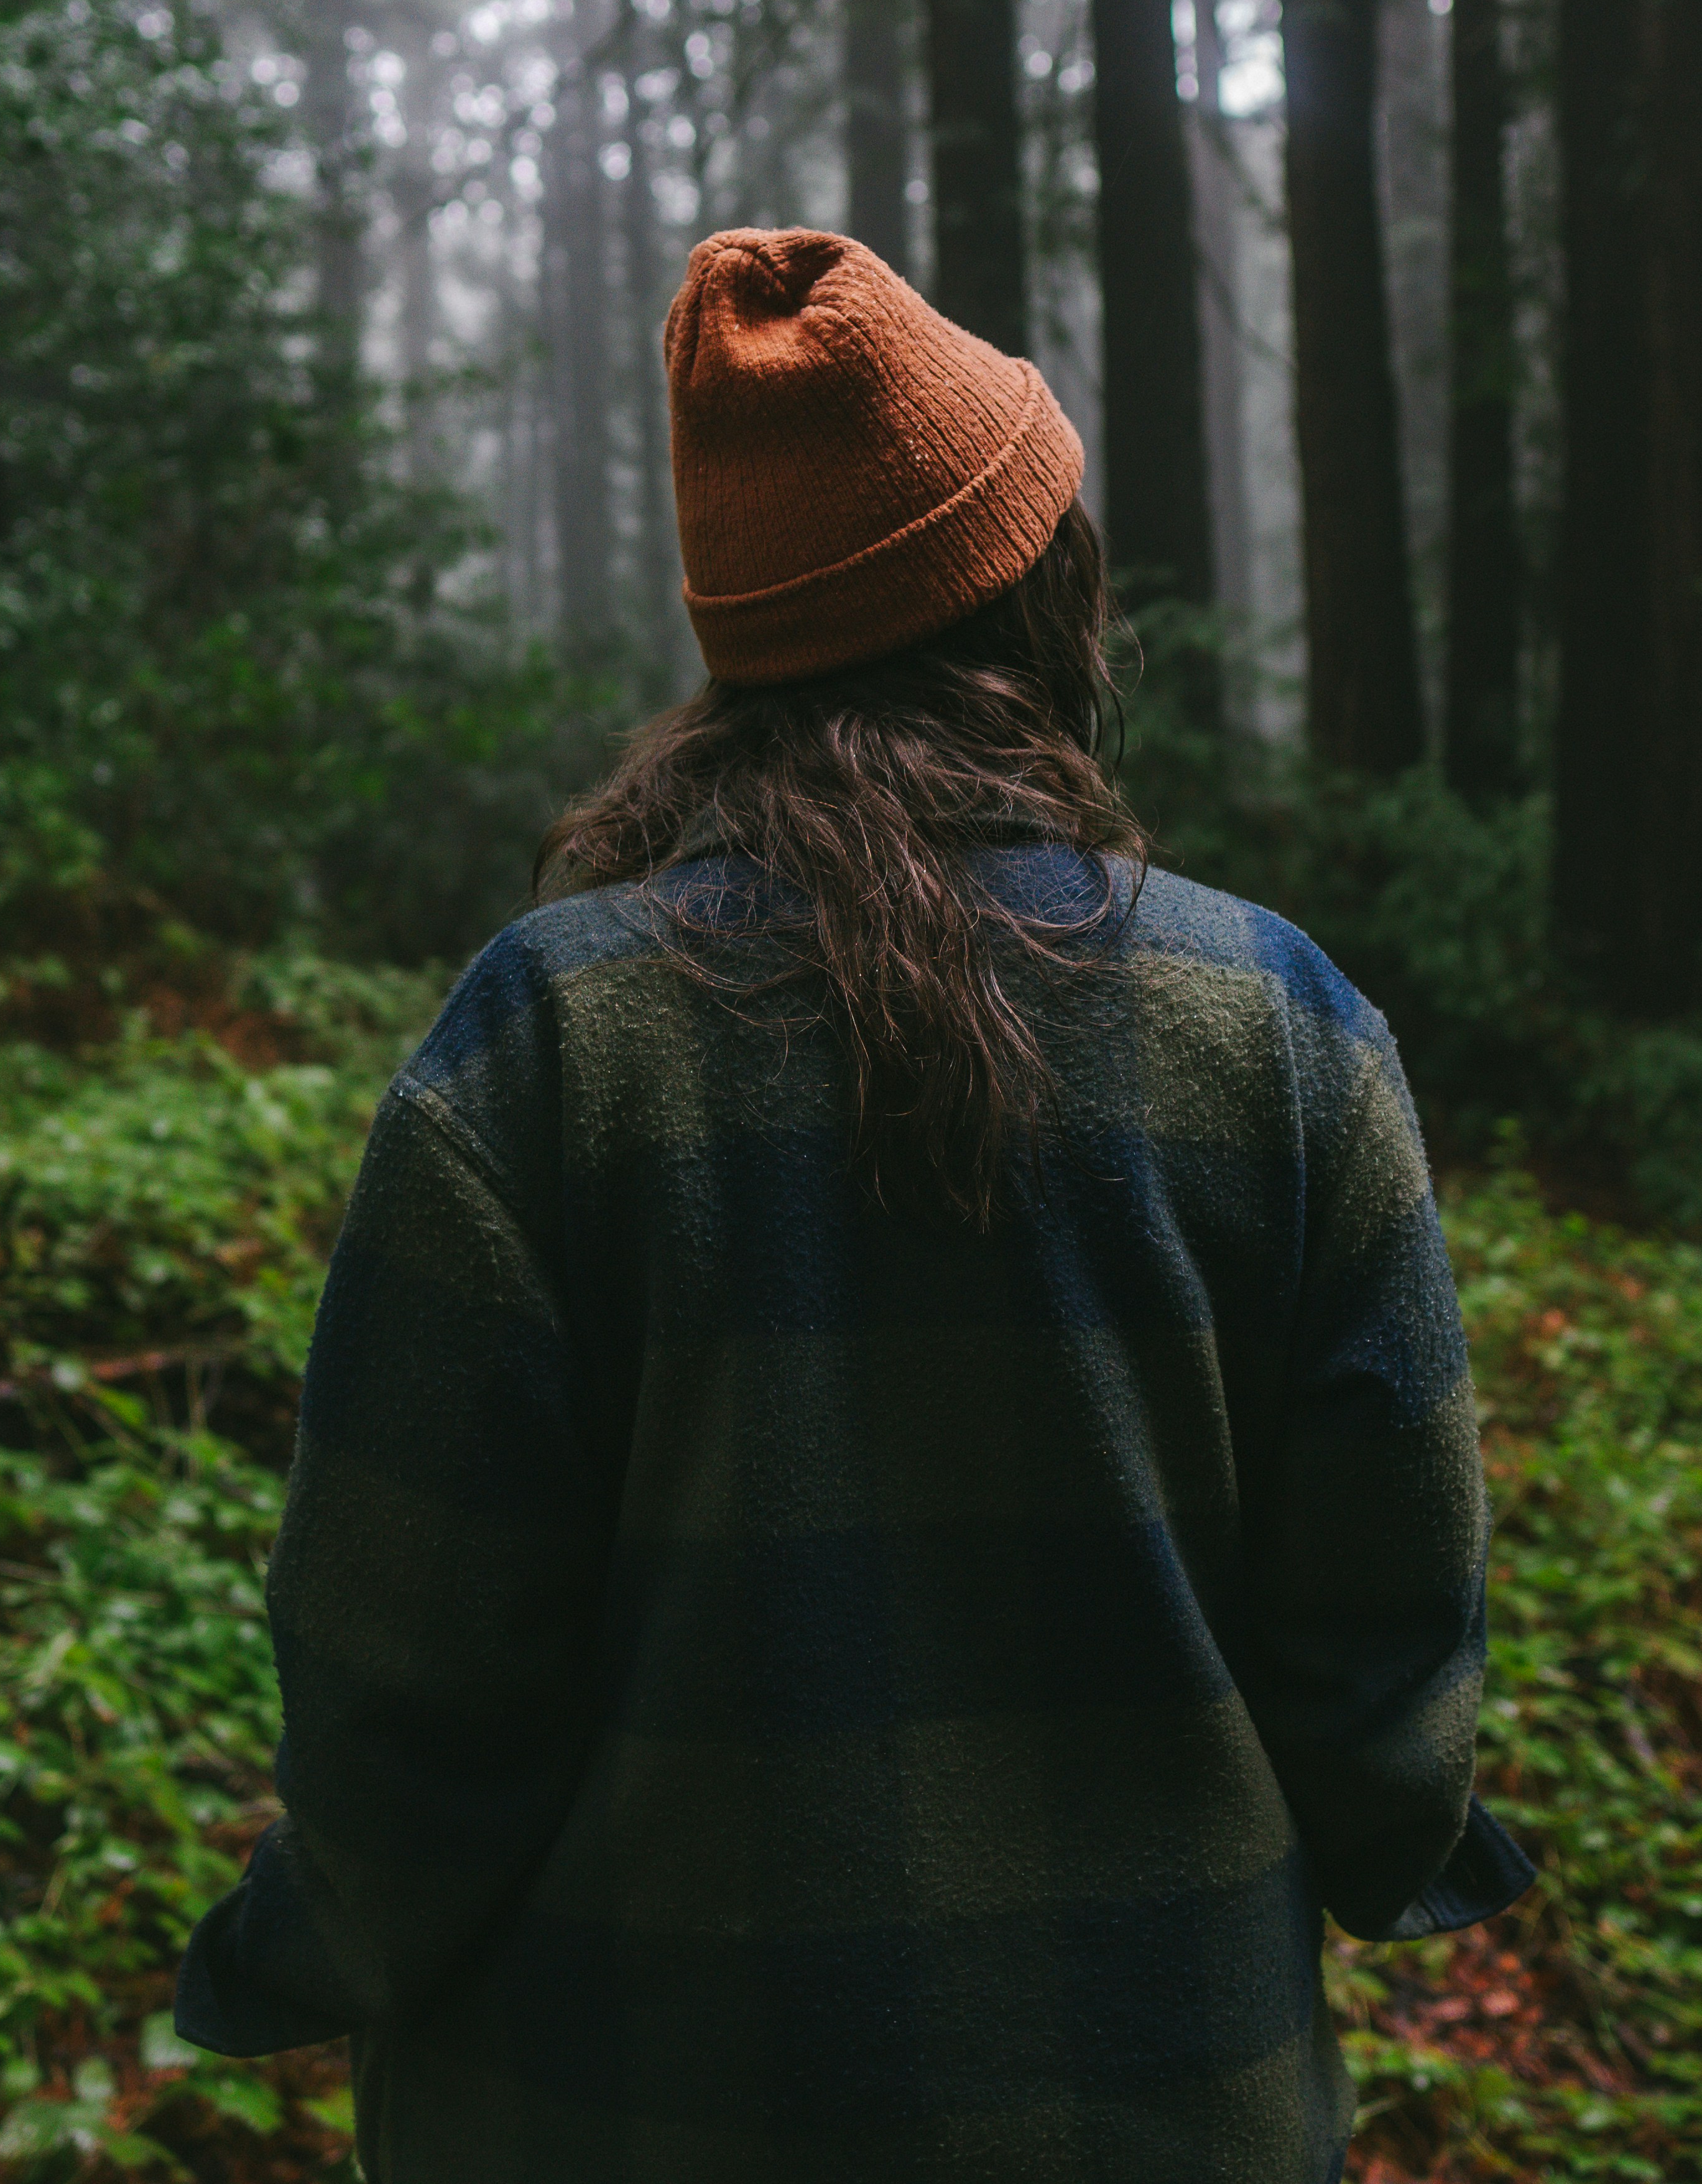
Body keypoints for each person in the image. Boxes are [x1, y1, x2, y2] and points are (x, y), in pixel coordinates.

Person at [173, 227, 1528, 2181]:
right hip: (1159, 2109)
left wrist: (308, 1951)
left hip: (614, 2113)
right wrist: (1380, 1836)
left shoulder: (548, 1041)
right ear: (1040, 597)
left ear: (748, 646)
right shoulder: (1283, 1033)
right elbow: (1388, 1653)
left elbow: (404, 1672)